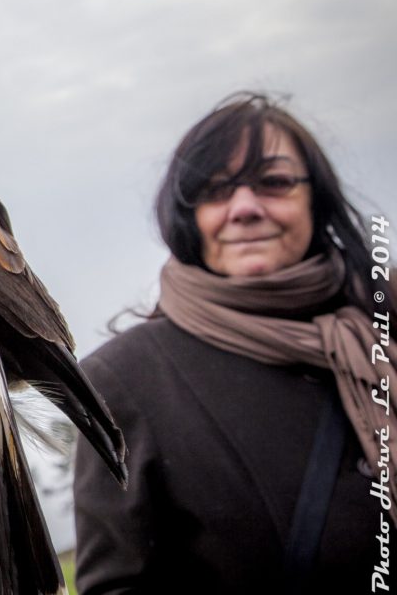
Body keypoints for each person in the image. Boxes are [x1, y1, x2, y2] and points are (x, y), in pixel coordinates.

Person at [73, 92, 391, 593]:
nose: (244, 208)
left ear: (316, 198)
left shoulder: (382, 320)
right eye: (216, 190)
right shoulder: (126, 380)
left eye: (275, 182)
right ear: (189, 216)